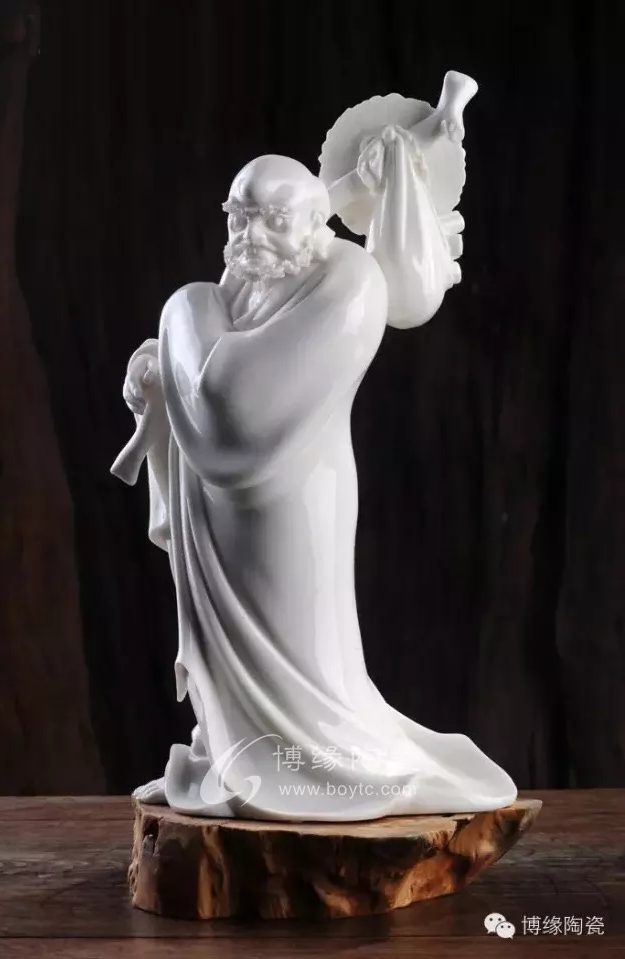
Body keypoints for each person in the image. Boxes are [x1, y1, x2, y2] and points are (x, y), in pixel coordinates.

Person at [118, 153, 517, 820]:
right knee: (232, 663)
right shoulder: (237, 284)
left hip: (296, 501)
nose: (252, 234)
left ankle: (320, 766)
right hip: (218, 508)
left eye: (273, 220)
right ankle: (228, 749)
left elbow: (230, 417)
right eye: (240, 217)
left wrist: (181, 329)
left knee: (306, 655)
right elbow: (200, 391)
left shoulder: (348, 280)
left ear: (312, 222)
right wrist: (159, 369)